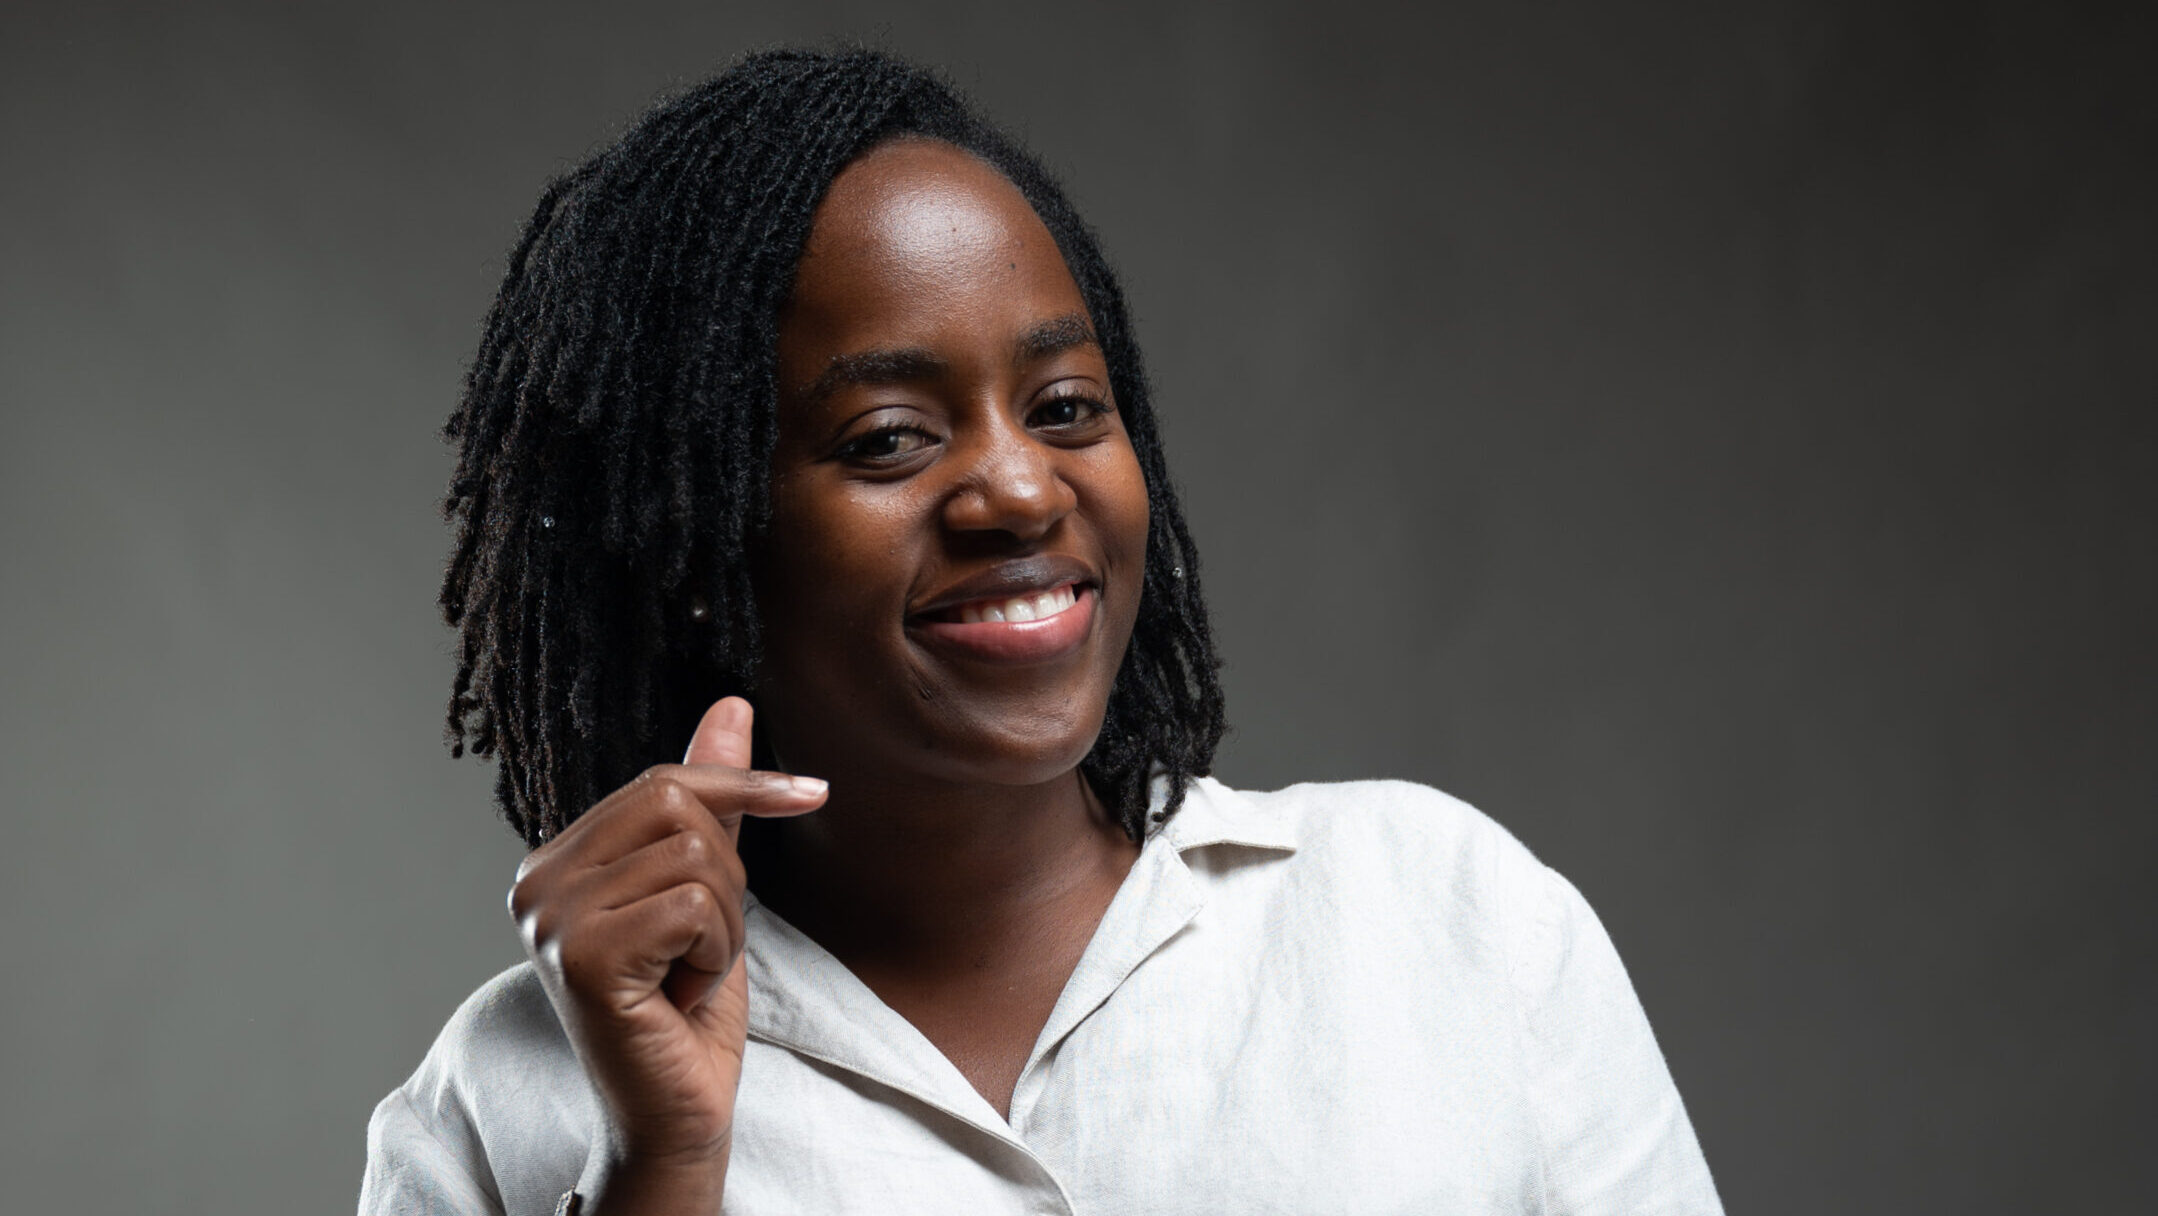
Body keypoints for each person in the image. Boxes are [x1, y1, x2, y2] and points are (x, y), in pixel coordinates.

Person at [361, 48, 1722, 1215]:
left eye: (1066, 408)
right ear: (695, 544)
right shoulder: (498, 1105)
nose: (1019, 490)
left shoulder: (1446, 916)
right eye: (889, 437)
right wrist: (659, 1161)